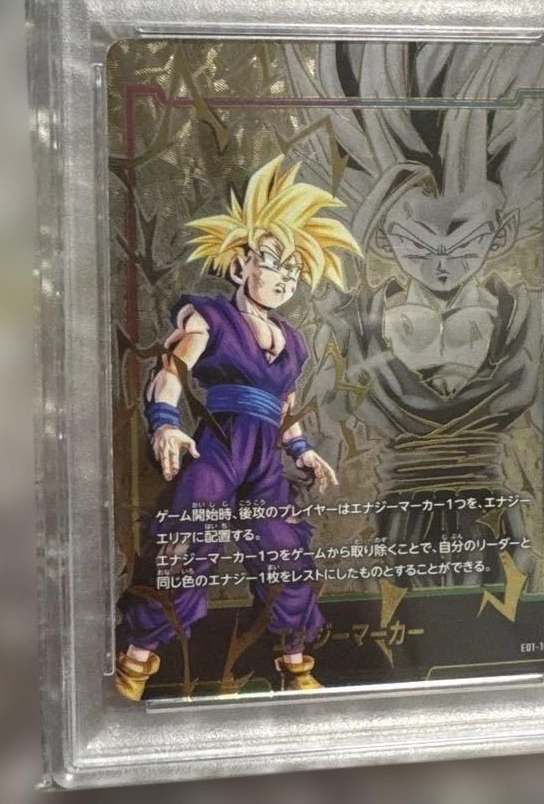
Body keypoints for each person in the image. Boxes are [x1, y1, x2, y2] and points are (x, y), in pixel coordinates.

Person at [115, 156, 362, 699]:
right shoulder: (210, 317)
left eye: (294, 269)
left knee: (284, 551)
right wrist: (165, 422)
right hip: (219, 448)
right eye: (273, 262)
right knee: (186, 543)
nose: (284, 277)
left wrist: (302, 449)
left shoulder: (292, 340)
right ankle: (134, 665)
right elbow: (172, 370)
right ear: (239, 266)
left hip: (266, 462)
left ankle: (296, 666)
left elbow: (285, 402)